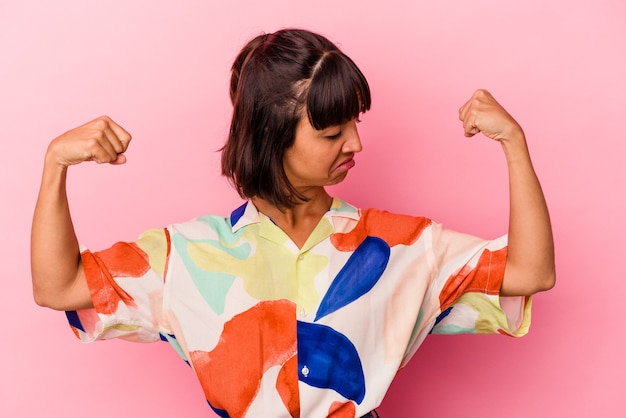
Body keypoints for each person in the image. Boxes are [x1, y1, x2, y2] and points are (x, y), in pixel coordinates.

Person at [31, 29, 555, 418]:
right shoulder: (185, 254)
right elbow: (58, 287)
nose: (356, 144)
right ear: (271, 134)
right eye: (332, 132)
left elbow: (531, 272)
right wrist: (55, 163)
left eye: (356, 122)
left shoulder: (402, 245)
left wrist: (515, 145)